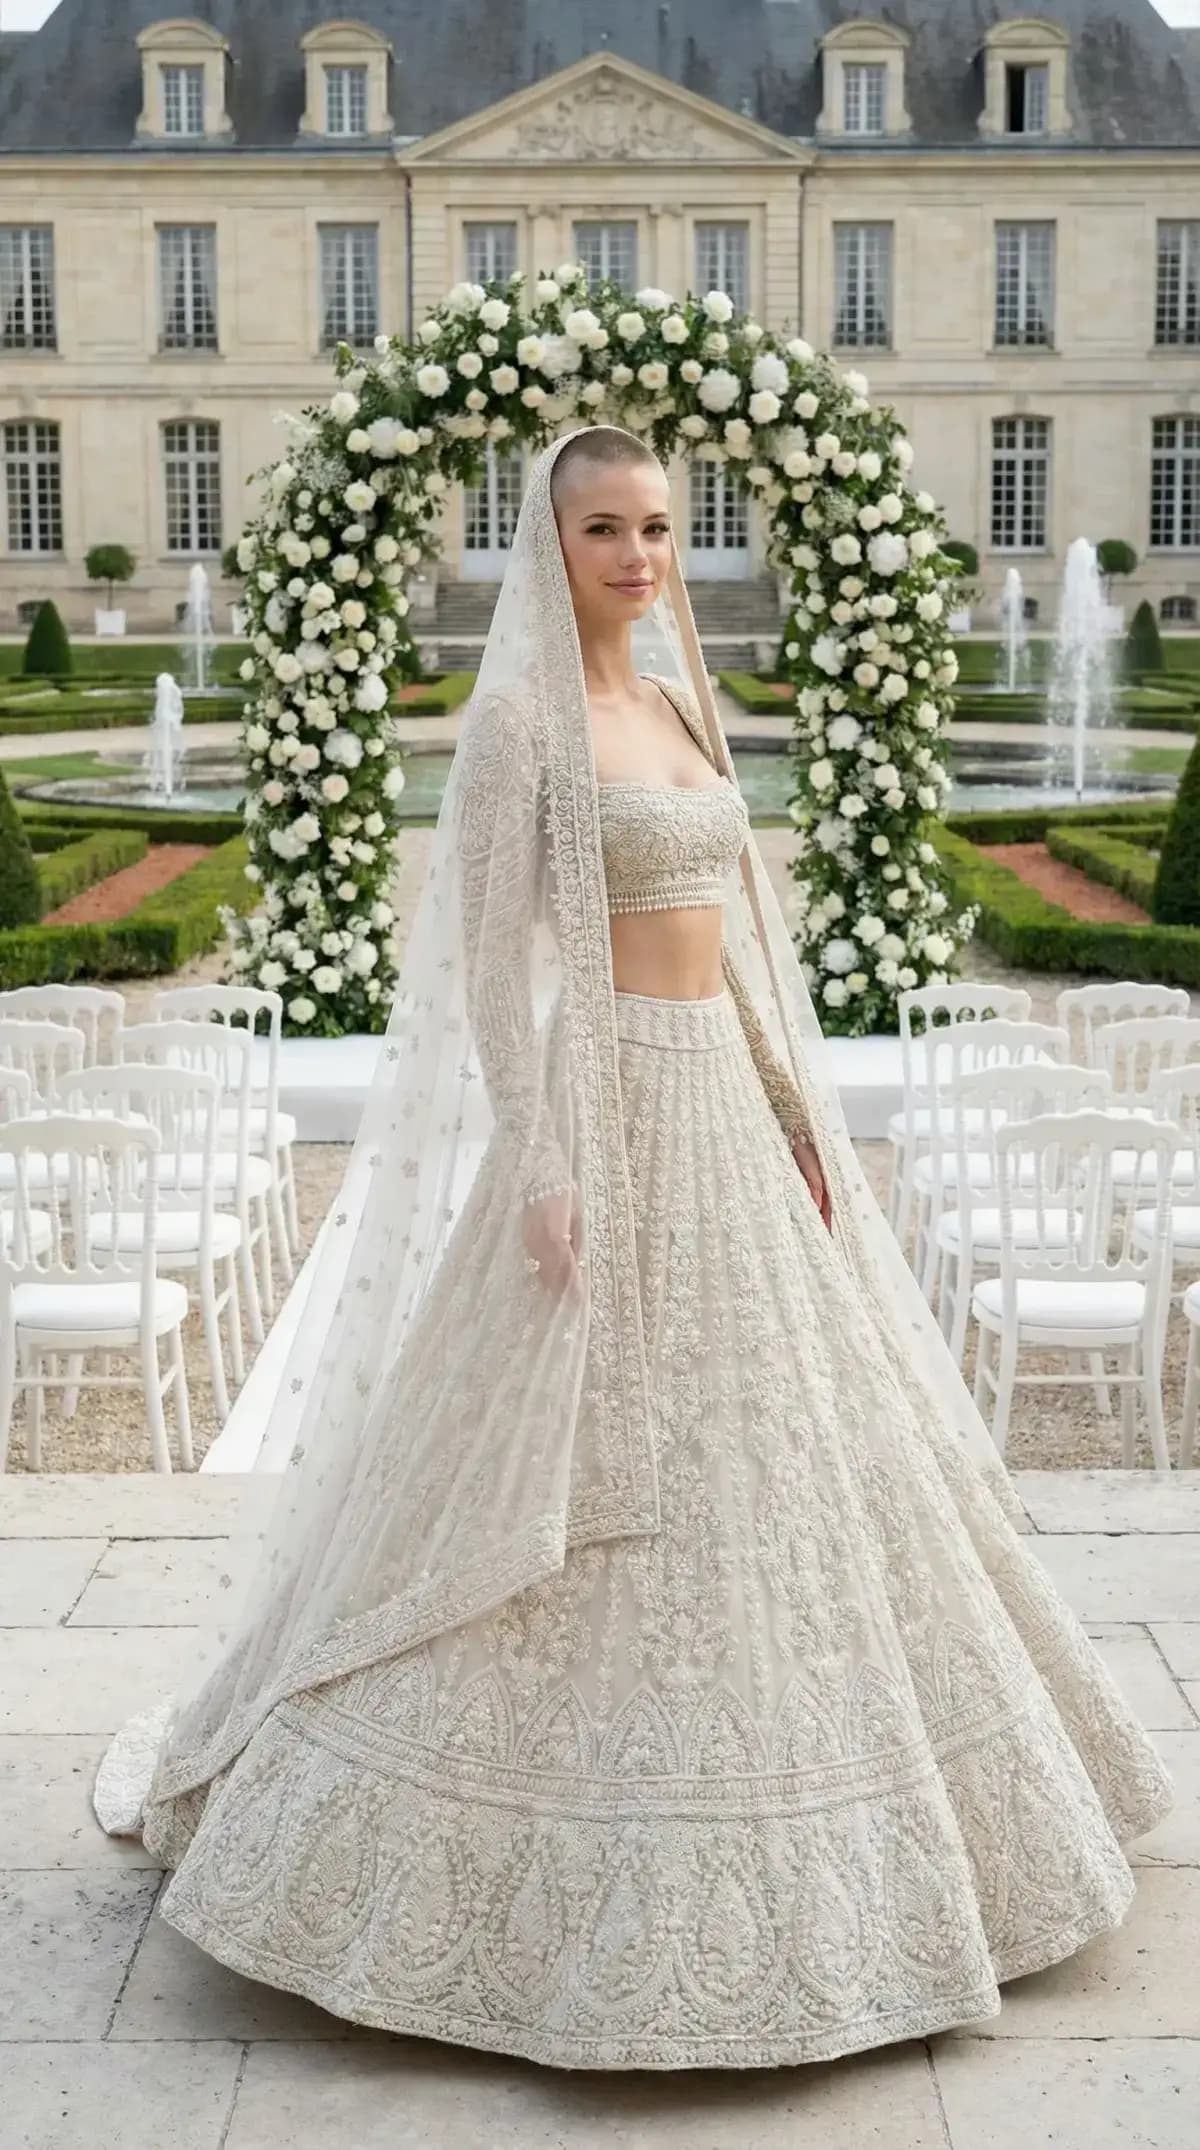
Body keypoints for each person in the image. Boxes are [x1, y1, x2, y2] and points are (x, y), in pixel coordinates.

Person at [97, 425, 1171, 2072]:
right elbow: (479, 968)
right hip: (599, 1115)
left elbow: (736, 935)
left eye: (659, 526)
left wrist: (801, 1116)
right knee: (556, 1474)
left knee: (794, 1458)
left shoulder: (677, 703)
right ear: (554, 539)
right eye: (606, 528)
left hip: (726, 1123)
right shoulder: (521, 721)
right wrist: (539, 1152)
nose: (641, 556)